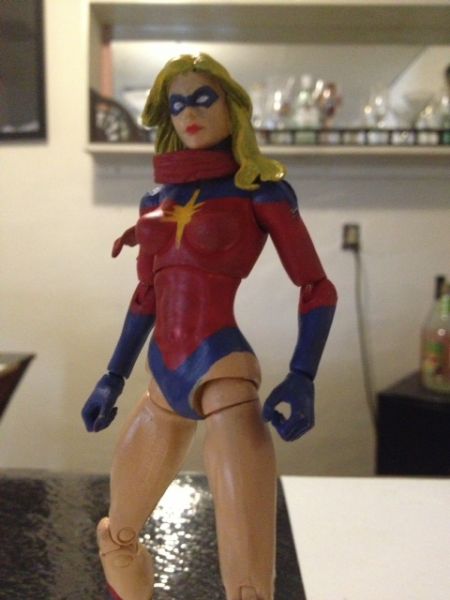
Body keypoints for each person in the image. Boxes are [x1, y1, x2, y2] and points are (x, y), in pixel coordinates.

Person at [82, 53, 337, 600]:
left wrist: (303, 375)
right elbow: (147, 296)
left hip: (223, 376)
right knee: (115, 537)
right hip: (161, 383)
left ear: (231, 107)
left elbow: (317, 286)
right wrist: (112, 375)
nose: (190, 114)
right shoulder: (157, 200)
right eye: (177, 105)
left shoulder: (260, 191)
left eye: (203, 99)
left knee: (247, 583)